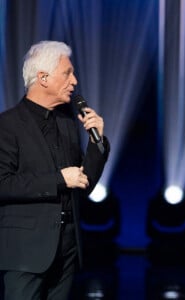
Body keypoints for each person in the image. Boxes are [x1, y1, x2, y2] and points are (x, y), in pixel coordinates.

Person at [0, 41, 110, 300]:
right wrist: (59, 179)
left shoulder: (67, 124)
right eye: (67, 73)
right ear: (43, 78)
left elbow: (85, 182)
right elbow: (3, 183)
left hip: (67, 249)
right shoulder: (7, 125)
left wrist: (97, 143)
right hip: (25, 252)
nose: (74, 81)